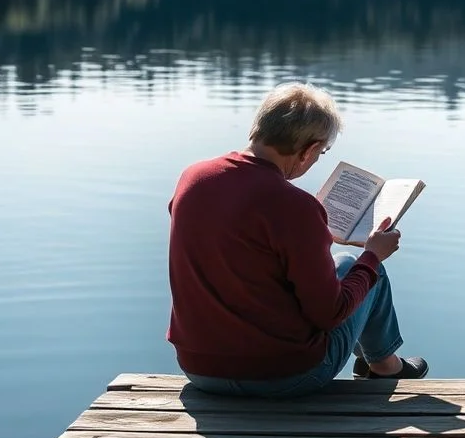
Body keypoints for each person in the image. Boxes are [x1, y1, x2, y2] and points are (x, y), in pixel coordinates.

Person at [165, 82, 428, 398]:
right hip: (285, 375)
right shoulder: (295, 207)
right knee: (365, 268)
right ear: (309, 149)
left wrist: (309, 237)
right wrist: (373, 255)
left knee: (341, 263)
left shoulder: (192, 178)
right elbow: (330, 313)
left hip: (199, 369)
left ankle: (380, 361)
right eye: (322, 152)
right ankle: (386, 366)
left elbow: (236, 246)